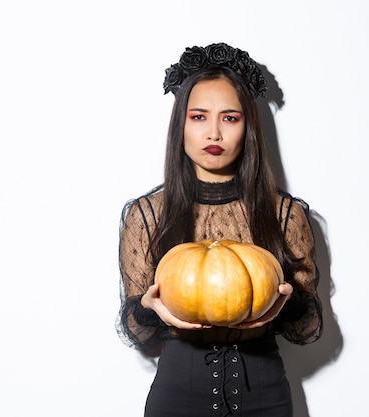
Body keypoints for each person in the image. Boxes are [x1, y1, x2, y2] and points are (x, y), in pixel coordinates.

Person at [115, 42, 323, 417]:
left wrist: (285, 302)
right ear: (181, 124)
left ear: (248, 127)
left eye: (230, 118)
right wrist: (147, 309)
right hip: (177, 398)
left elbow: (307, 329)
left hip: (266, 398)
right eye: (198, 117)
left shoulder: (284, 214)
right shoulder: (146, 214)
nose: (213, 133)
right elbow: (136, 329)